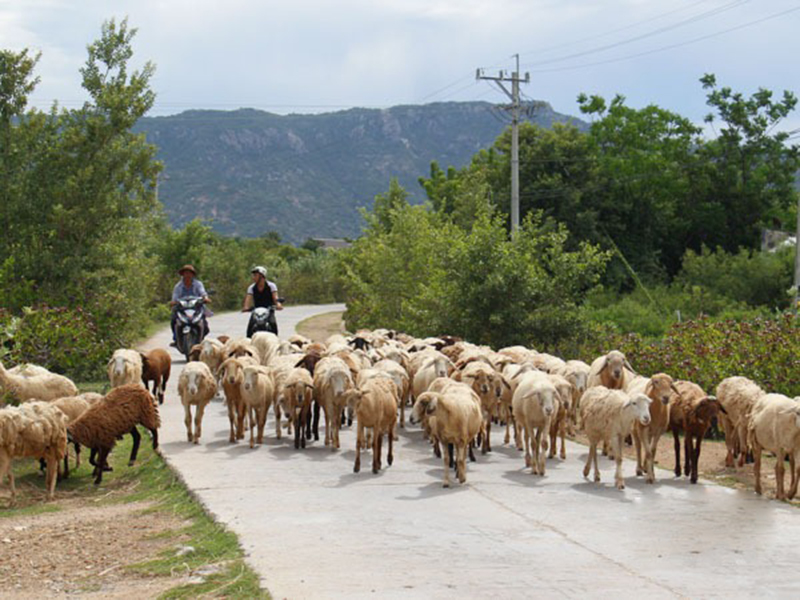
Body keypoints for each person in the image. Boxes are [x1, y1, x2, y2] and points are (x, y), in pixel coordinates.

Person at [170, 264, 212, 346]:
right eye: (186, 273)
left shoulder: (198, 284)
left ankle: (201, 339)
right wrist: (173, 302)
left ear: (193, 275)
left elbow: (203, 293)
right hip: (182, 309)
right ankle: (176, 339)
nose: (187, 275)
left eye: (189, 273)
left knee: (205, 324)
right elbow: (175, 297)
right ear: (182, 274)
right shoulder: (178, 286)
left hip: (196, 308)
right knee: (173, 320)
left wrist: (205, 298)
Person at [242, 266, 283, 336]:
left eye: (255, 275)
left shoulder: (271, 286)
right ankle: (249, 341)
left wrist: (278, 305)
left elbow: (275, 298)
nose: (253, 277)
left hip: (269, 310)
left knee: (273, 323)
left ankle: (275, 339)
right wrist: (246, 307)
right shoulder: (251, 288)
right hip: (256, 311)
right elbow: (248, 299)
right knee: (250, 326)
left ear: (261, 276)